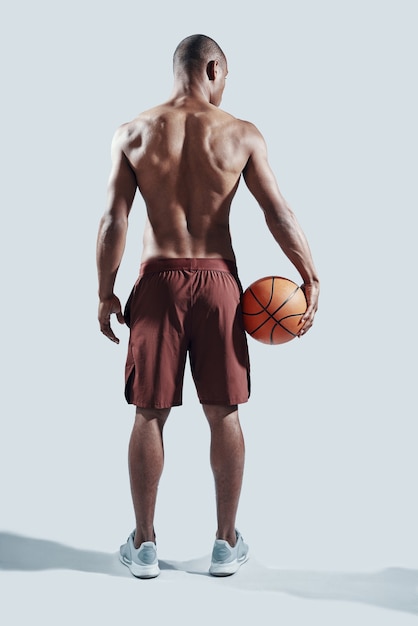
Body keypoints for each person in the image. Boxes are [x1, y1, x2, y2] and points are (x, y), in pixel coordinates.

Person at [96, 34, 320, 579]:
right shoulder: (240, 133)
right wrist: (309, 275)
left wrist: (105, 291)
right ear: (213, 68)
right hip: (220, 282)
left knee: (149, 411)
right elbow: (278, 213)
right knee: (224, 412)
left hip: (157, 281)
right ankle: (225, 544)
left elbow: (114, 220)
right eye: (226, 78)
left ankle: (144, 545)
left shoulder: (133, 132)